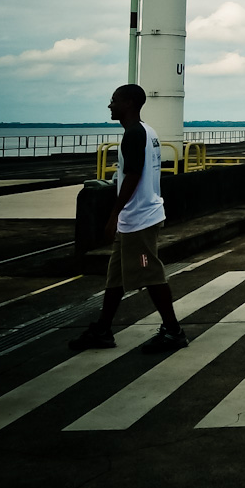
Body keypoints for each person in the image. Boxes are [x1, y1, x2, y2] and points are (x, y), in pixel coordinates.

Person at [68, 84, 187, 354]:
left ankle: (173, 331)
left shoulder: (134, 134)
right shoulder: (149, 132)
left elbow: (132, 176)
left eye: (114, 100)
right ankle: (102, 329)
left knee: (151, 273)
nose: (110, 105)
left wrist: (114, 215)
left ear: (129, 103)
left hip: (139, 220)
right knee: (116, 278)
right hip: (137, 218)